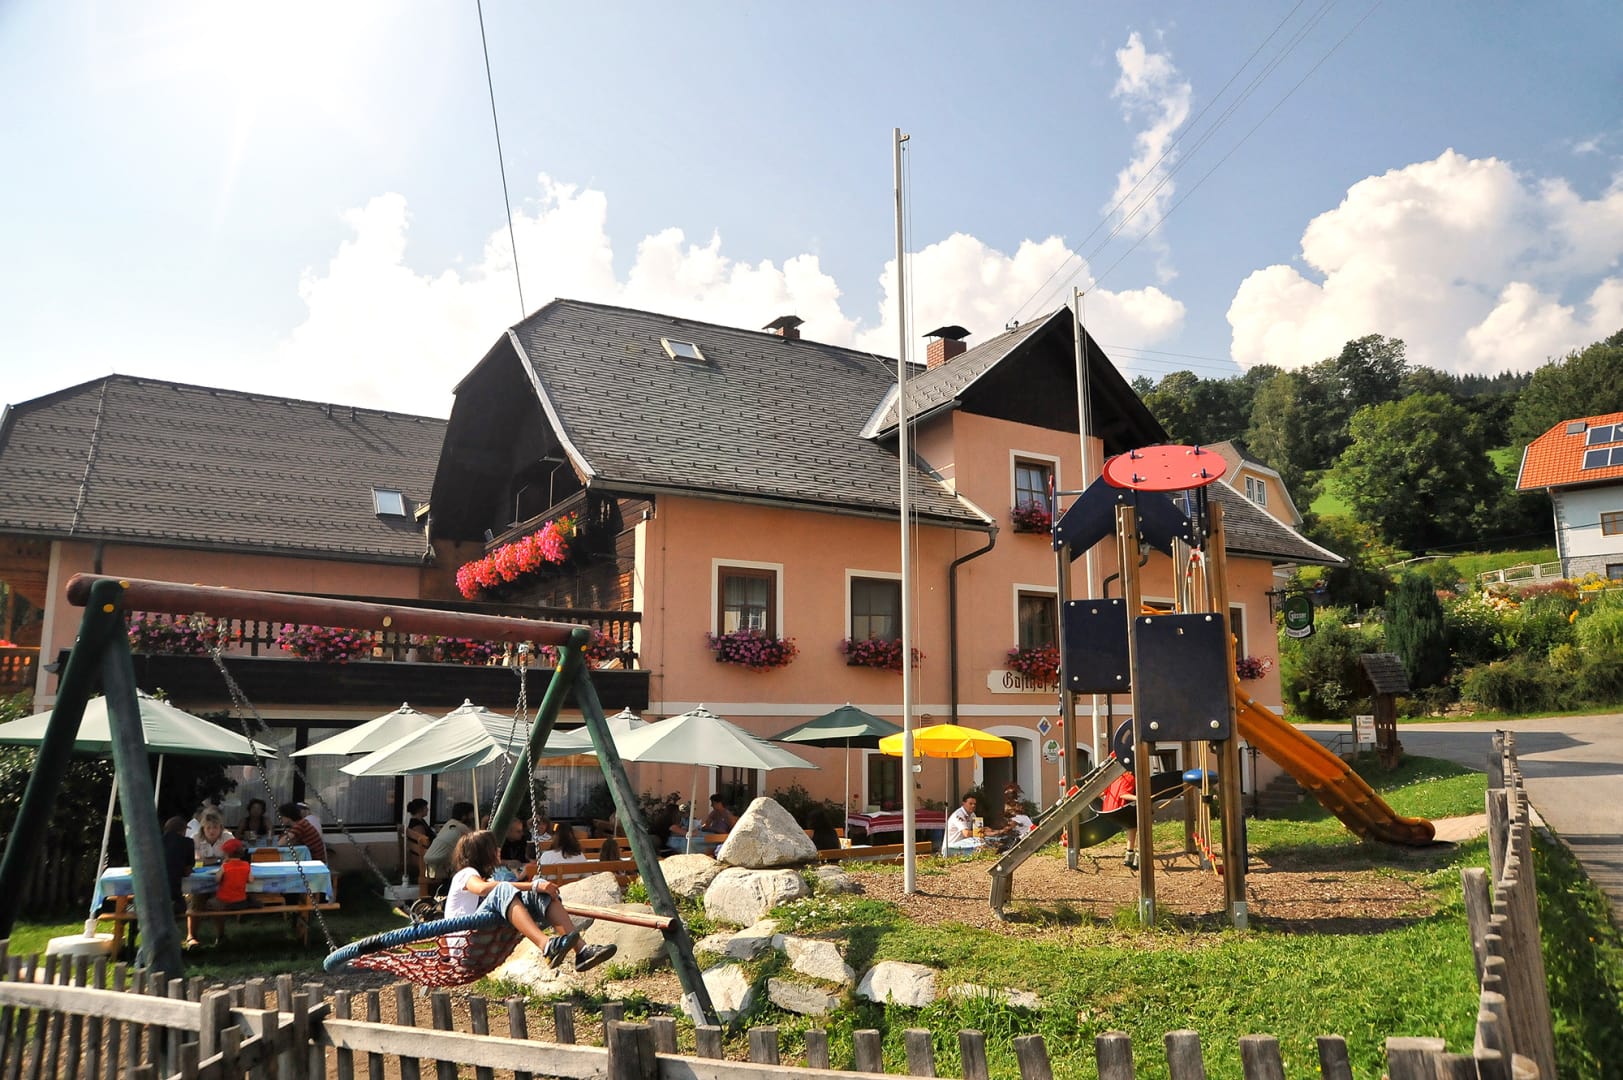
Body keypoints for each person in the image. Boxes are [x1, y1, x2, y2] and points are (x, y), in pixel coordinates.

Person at [443, 829, 616, 972]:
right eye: (493, 847)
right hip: (464, 949)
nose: (499, 849)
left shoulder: (486, 878)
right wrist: (532, 886)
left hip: (483, 945)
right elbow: (481, 889)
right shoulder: (466, 873)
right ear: (484, 853)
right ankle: (547, 946)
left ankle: (582, 951)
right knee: (507, 889)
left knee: (541, 890)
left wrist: (538, 888)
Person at [191, 838, 254, 945]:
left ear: (227, 854)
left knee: (209, 902)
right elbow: (251, 880)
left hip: (225, 902)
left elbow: (217, 879)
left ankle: (205, 924)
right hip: (240, 901)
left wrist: (222, 869)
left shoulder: (225, 866)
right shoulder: (246, 865)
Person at [424, 802, 476, 880]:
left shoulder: (449, 823)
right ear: (464, 816)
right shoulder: (461, 827)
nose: (473, 817)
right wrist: (483, 824)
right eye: (471, 814)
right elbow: (478, 840)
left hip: (429, 865)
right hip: (440, 866)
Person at [1101, 768, 1139, 869]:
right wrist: (1140, 798)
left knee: (1132, 825)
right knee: (1141, 823)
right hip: (1118, 810)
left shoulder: (1114, 777)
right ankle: (1139, 855)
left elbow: (1102, 793)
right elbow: (1123, 794)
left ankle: (1129, 854)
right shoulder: (1130, 777)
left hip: (1107, 811)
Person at [161, 815, 195, 915]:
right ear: (182, 831)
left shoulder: (155, 842)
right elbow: (187, 870)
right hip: (173, 895)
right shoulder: (187, 842)